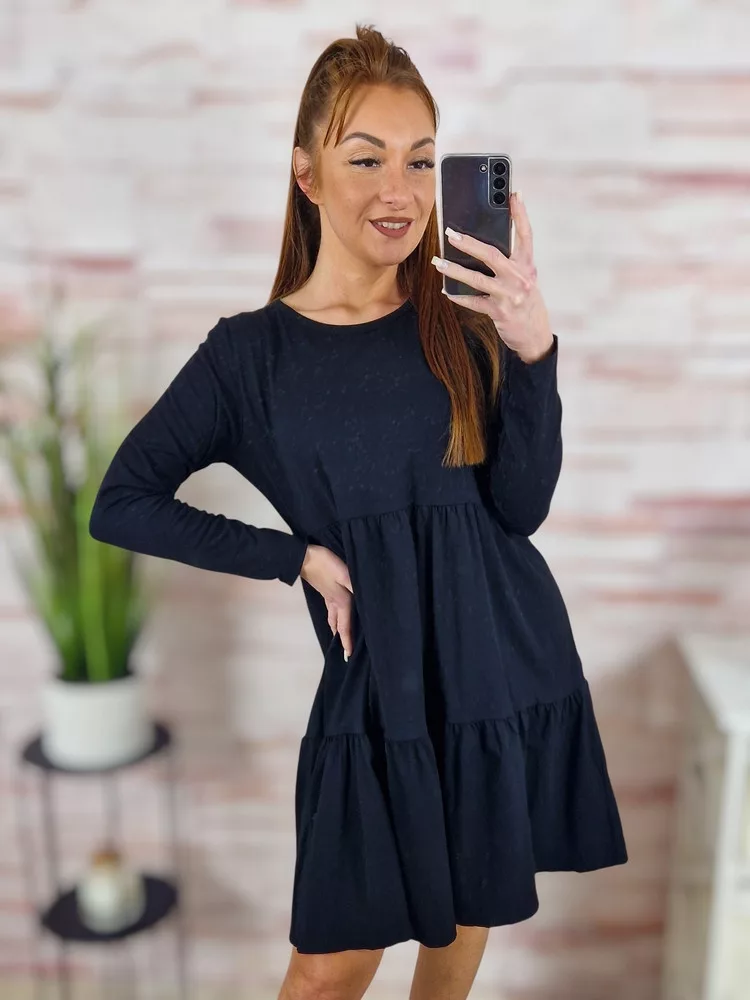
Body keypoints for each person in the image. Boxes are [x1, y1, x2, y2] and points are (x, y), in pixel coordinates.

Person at [89, 22, 628, 1000]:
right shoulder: (250, 357)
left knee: (460, 934)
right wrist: (293, 555)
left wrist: (533, 349)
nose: (401, 191)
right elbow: (123, 502)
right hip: (378, 692)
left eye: (421, 160)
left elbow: (520, 508)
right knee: (325, 972)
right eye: (366, 158)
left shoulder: (464, 319)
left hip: (499, 662)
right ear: (306, 173)